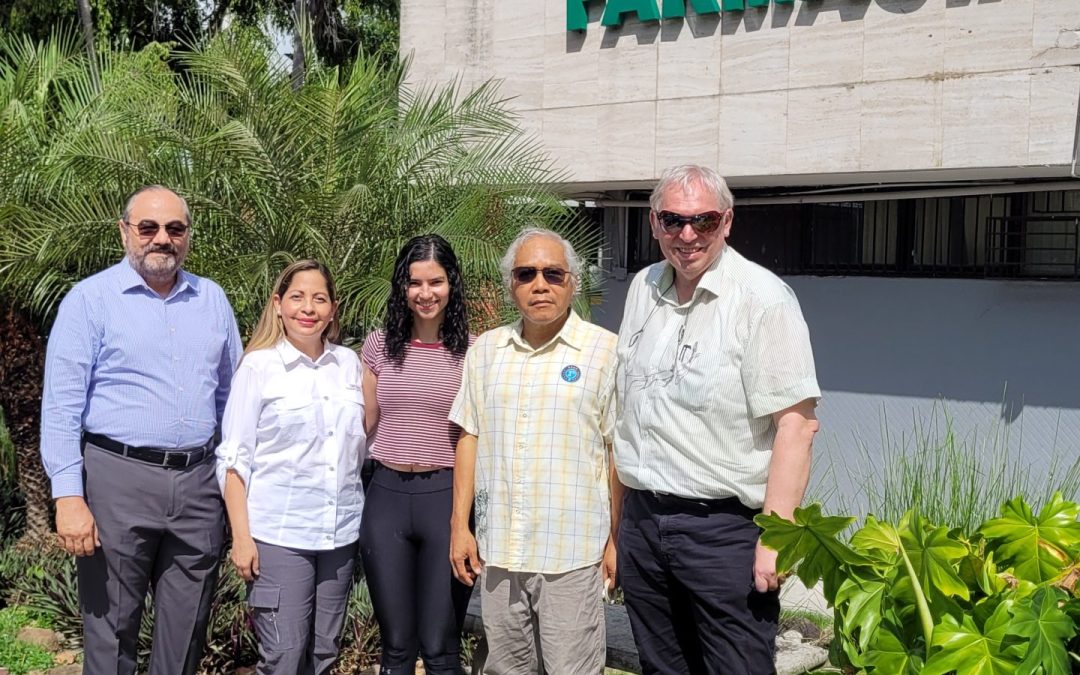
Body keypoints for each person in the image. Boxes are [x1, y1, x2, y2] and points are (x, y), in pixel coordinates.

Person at [613, 164, 821, 674]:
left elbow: (796, 425)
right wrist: (619, 529)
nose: (688, 235)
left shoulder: (763, 299)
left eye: (703, 221)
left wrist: (775, 538)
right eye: (673, 221)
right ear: (654, 223)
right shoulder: (643, 286)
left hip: (723, 533)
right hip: (643, 522)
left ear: (726, 222)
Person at [39, 185, 242, 674]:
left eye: (175, 228)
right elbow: (62, 405)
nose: (162, 239)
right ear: (125, 232)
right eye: (148, 228)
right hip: (116, 482)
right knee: (110, 631)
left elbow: (232, 399)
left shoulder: (211, 299)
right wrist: (68, 496)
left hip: (197, 486)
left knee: (186, 632)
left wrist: (235, 487)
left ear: (188, 235)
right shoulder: (88, 301)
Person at [448, 227, 621, 675]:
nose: (539, 284)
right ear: (512, 285)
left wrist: (616, 539)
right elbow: (469, 436)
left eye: (553, 273)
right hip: (500, 550)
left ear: (573, 283)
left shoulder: (606, 351)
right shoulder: (485, 351)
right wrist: (459, 527)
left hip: (573, 554)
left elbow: (616, 449)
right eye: (526, 273)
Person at [215, 259, 366, 674]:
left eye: (319, 299)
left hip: (339, 534)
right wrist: (241, 538)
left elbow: (361, 445)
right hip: (280, 535)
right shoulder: (259, 367)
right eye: (298, 297)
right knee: (283, 655)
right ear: (278, 304)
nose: (308, 308)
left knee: (324, 655)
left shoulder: (349, 365)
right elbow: (233, 460)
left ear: (333, 309)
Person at [358, 234, 473, 675]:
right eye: (414, 283)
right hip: (385, 495)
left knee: (441, 647)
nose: (425, 293)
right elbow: (362, 423)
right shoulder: (378, 345)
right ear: (401, 287)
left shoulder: (473, 352)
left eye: (436, 282)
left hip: (445, 498)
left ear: (452, 284)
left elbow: (476, 436)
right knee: (398, 647)